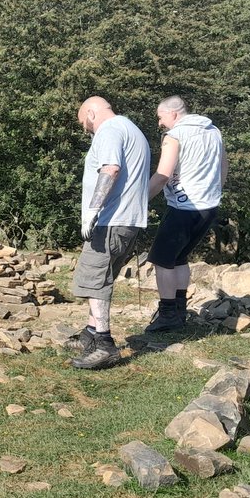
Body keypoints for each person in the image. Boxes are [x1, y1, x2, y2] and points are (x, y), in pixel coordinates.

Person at [69, 96, 150, 370]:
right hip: (126, 219)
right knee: (102, 277)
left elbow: (111, 169)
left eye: (84, 124)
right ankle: (90, 334)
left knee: (93, 278)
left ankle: (104, 344)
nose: (86, 130)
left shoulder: (110, 130)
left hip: (110, 220)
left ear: (91, 113)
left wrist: (93, 210)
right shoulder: (131, 129)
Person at [144, 96, 227, 332]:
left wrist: (138, 202)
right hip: (209, 207)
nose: (159, 123)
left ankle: (168, 314)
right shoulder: (213, 131)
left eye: (160, 117)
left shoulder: (175, 136)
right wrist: (215, 192)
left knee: (161, 260)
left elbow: (162, 176)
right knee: (179, 258)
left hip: (184, 207)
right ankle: (179, 311)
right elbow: (223, 166)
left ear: (173, 114)